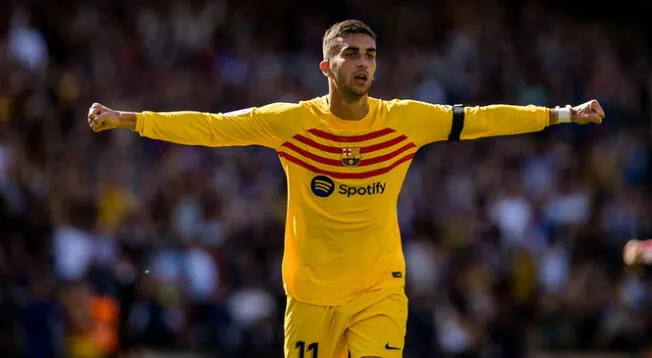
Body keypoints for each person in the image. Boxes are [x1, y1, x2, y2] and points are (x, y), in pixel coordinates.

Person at [87, 19, 604, 358]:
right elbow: (212, 127)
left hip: (379, 289)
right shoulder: (291, 123)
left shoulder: (404, 120)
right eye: (352, 53)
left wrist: (560, 114)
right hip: (309, 296)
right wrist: (131, 119)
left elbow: (483, 120)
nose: (363, 63)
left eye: (371, 54)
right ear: (327, 66)